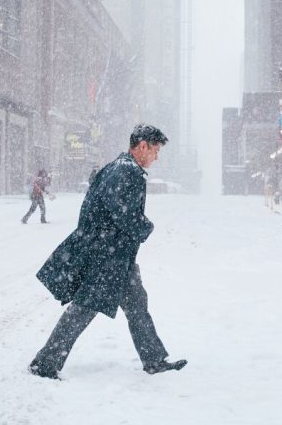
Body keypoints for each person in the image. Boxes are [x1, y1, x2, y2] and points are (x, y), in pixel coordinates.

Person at [30, 124, 187, 379]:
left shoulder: (119, 167)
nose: (157, 156)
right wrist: (146, 227)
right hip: (108, 257)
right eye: (156, 150)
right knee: (83, 309)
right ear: (143, 146)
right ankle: (45, 364)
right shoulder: (126, 172)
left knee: (137, 305)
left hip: (116, 255)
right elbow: (122, 214)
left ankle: (154, 359)